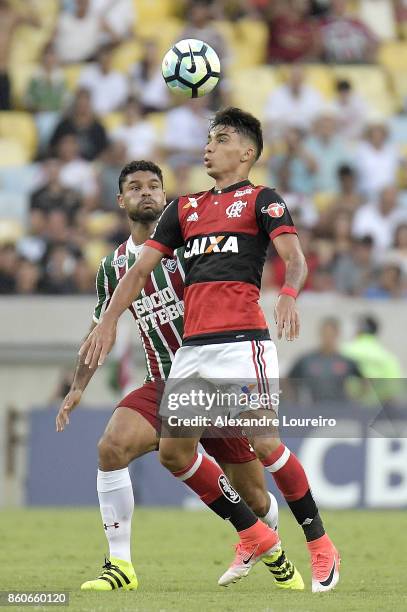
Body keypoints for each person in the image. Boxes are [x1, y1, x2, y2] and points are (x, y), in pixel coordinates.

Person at [80, 108, 340, 592]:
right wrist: (110, 320)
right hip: (194, 353)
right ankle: (255, 534)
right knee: (175, 454)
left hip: (244, 342)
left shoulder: (264, 200)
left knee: (264, 444)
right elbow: (138, 272)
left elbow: (295, 259)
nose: (208, 146)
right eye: (207, 138)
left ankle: (320, 543)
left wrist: (287, 294)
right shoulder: (183, 209)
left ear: (245, 153)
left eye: (220, 139)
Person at [288, 317, 362, 402]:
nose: (328, 338)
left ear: (337, 334)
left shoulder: (346, 361)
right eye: (325, 333)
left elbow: (364, 381)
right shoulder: (307, 360)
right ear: (321, 334)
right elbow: (289, 381)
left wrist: (356, 399)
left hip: (339, 409)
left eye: (331, 334)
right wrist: (295, 400)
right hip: (314, 409)